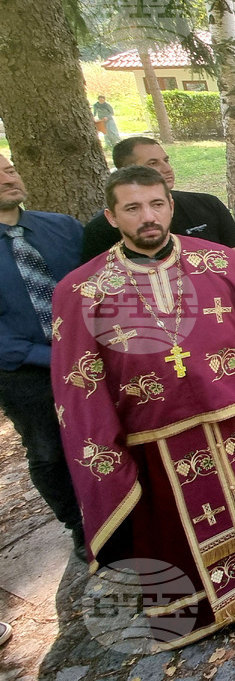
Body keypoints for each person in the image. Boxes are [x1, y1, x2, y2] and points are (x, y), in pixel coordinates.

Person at [52, 165, 235, 648]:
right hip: (154, 433)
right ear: (112, 216)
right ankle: (193, 603)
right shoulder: (81, 289)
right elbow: (80, 383)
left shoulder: (218, 262)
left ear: (170, 205)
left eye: (156, 204)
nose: (148, 217)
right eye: (133, 208)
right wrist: (104, 450)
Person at [0, 154, 86, 561]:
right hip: (25, 373)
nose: (7, 177)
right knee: (49, 449)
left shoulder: (63, 228)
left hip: (91, 360)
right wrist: (51, 356)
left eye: (10, 168)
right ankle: (81, 527)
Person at [81, 137, 235, 267]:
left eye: (166, 160)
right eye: (153, 163)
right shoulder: (101, 229)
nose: (167, 169)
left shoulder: (208, 205)